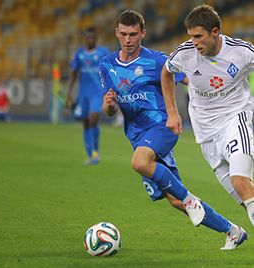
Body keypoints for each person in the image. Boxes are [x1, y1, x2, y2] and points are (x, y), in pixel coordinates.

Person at [100, 9, 247, 250]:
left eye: (133, 34)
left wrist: (195, 108)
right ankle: (232, 231)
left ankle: (191, 201)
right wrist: (109, 106)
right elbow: (110, 111)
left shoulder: (157, 60)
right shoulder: (106, 64)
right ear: (116, 33)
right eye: (124, 34)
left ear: (143, 34)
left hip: (161, 126)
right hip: (137, 135)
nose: (128, 40)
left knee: (139, 162)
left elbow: (195, 79)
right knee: (174, 200)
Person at [161, 4, 254, 233]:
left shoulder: (241, 52)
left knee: (240, 180)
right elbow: (166, 73)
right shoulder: (184, 54)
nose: (194, 42)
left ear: (215, 32)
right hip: (205, 133)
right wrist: (172, 111)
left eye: (198, 36)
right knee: (244, 197)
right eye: (191, 36)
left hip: (235, 118)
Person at [66, 27, 109, 165]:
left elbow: (110, 71)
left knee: (92, 119)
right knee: (85, 122)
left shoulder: (103, 52)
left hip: (97, 93)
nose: (90, 39)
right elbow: (73, 73)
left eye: (93, 36)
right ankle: (90, 153)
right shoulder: (79, 54)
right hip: (83, 93)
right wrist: (68, 93)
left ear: (96, 38)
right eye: (88, 36)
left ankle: (96, 153)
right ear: (85, 38)